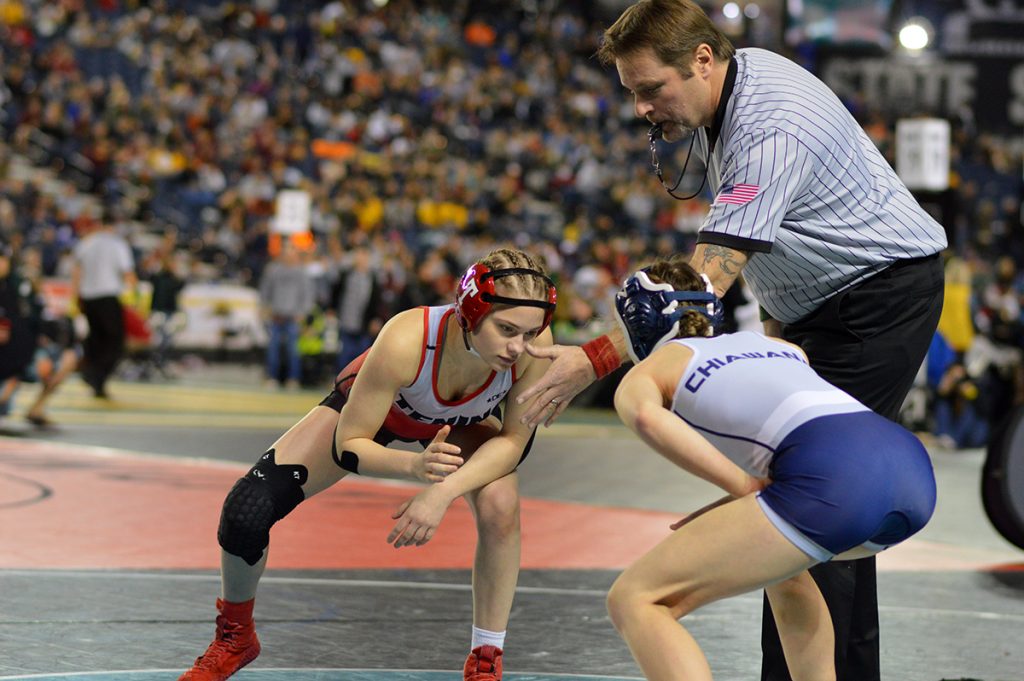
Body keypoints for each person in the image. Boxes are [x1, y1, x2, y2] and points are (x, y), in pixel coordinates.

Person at [517, 2, 947, 679]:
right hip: (820, 303)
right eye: (631, 94)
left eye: (650, 89)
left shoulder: (769, 125)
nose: (642, 109)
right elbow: (771, 256)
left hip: (877, 296)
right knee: (815, 509)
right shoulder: (732, 94)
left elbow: (701, 285)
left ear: (702, 60)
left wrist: (586, 359)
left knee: (814, 503)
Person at [179, 248, 557, 681]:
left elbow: (513, 443)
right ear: (469, 312)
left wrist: (442, 491)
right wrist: (413, 470)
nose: (517, 348)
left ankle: (486, 657)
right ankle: (235, 637)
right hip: (382, 414)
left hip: (464, 425)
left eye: (529, 333)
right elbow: (350, 446)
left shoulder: (532, 348)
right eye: (506, 329)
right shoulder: (406, 339)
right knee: (247, 510)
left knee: (500, 507)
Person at [605, 257, 936, 681]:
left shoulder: (652, 369)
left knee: (637, 599)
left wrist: (741, 486)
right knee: (786, 575)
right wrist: (742, 503)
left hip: (834, 484)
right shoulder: (781, 348)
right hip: (908, 471)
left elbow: (649, 419)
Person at [70, 215, 136, 398]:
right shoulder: (117, 244)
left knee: (96, 338)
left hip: (88, 297)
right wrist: (134, 297)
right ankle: (96, 375)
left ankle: (93, 374)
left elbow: (76, 271)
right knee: (115, 342)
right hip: (107, 297)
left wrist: (76, 297)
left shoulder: (86, 243)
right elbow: (128, 273)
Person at [258, 242, 315, 390]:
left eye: (291, 251)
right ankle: (271, 377)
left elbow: (307, 295)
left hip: (293, 317)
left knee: (293, 350)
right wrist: (265, 308)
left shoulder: (302, 272)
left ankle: (293, 378)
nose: (288, 254)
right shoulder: (273, 270)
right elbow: (265, 291)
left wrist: (303, 312)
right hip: (276, 316)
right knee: (273, 349)